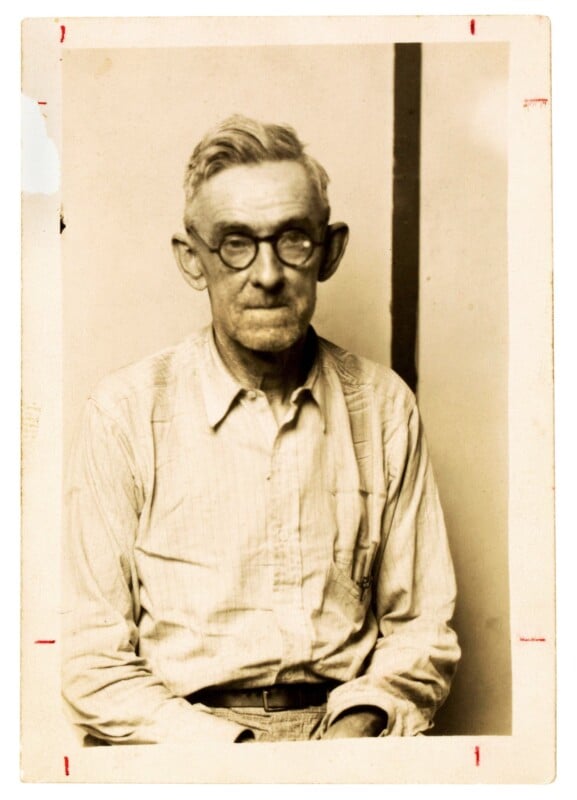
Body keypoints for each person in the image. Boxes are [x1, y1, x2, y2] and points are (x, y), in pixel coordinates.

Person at [62, 115, 461, 745]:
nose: (268, 274)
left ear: (329, 251)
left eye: (293, 240)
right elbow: (92, 662)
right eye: (236, 244)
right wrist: (235, 757)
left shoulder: (385, 407)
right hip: (179, 748)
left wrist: (353, 731)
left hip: (347, 740)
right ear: (193, 260)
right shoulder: (124, 413)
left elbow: (422, 630)